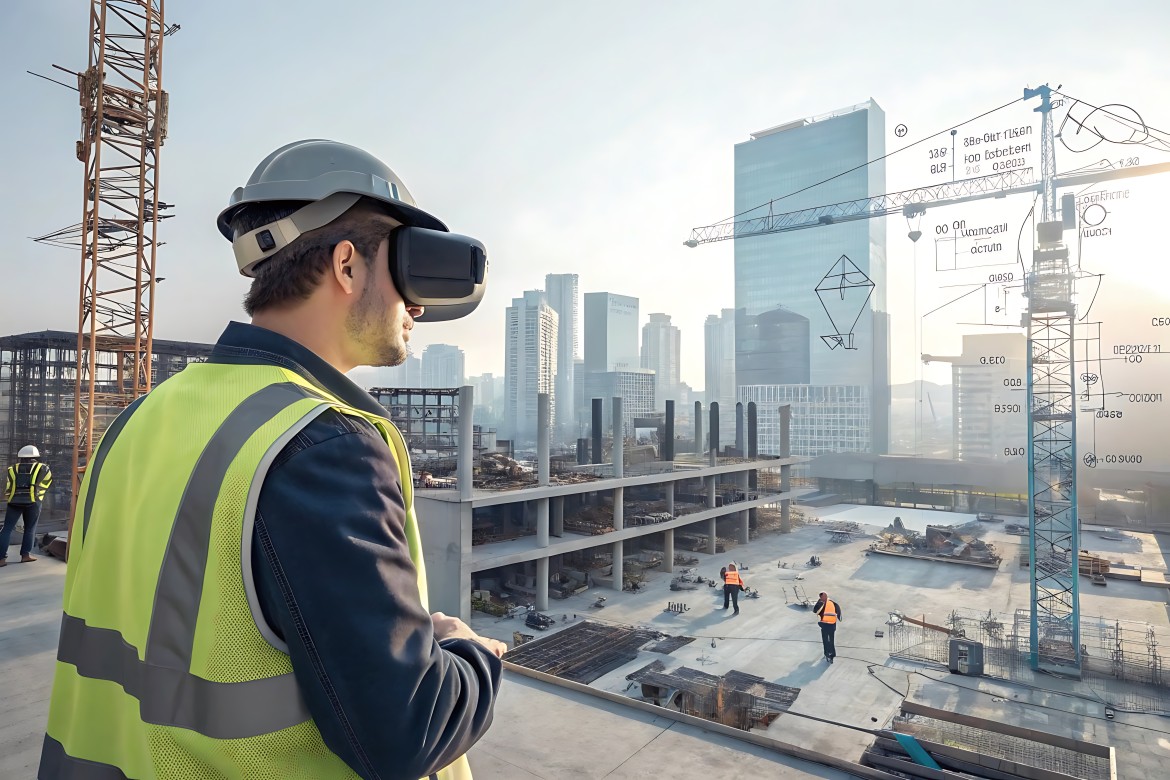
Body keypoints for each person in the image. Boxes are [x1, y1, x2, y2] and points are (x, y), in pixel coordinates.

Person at [41, 140, 502, 780]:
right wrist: (462, 650)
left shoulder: (139, 419)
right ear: (346, 264)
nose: (417, 306)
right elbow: (406, 732)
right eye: (405, 271)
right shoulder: (323, 444)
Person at [2, 444, 53, 566]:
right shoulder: (43, 468)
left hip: (14, 502)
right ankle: (25, 555)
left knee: (7, 529)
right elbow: (47, 483)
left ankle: (1, 559)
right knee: (30, 529)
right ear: (35, 456)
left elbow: (8, 488)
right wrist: (38, 495)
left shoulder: (12, 469)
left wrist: (10, 497)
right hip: (33, 502)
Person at [814, 591, 842, 662]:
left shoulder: (821, 604)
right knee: (831, 640)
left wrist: (819, 602)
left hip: (825, 625)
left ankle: (827, 654)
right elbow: (838, 610)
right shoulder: (832, 603)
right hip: (832, 626)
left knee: (826, 640)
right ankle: (832, 654)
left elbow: (815, 610)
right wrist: (839, 617)